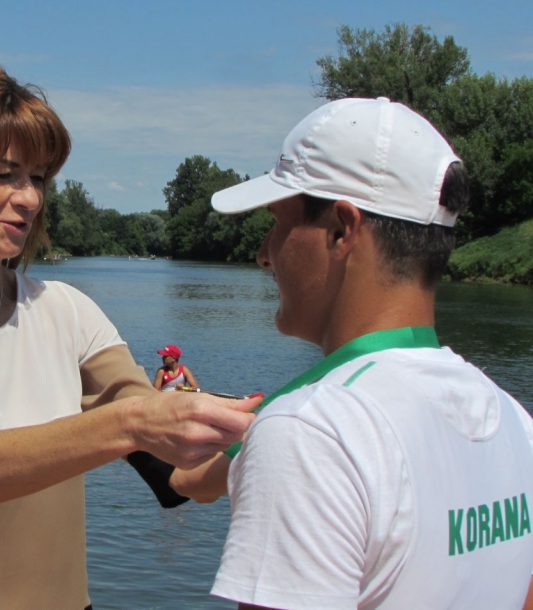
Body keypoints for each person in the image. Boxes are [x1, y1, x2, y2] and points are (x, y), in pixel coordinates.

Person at [0, 64, 262, 610]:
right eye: (4, 174)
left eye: (37, 178)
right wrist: (132, 422)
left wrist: (273, 433)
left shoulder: (66, 310)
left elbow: (182, 477)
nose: (30, 199)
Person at [201, 97, 533, 609]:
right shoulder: (514, 421)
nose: (264, 254)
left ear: (342, 230)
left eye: (279, 223)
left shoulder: (308, 433)